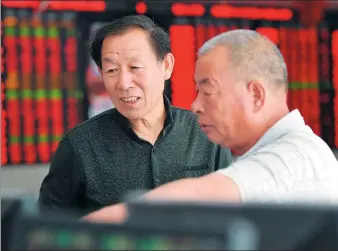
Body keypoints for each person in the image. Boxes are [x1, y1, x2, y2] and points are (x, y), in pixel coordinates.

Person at [83, 29, 338, 223]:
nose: (195, 105)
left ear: (256, 95)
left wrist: (84, 233)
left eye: (208, 90)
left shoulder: (294, 158)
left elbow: (201, 194)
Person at [38, 15, 232, 216]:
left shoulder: (207, 133)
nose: (123, 83)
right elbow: (44, 230)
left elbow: (233, 216)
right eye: (112, 70)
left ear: (166, 66)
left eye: (135, 67)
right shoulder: (79, 146)